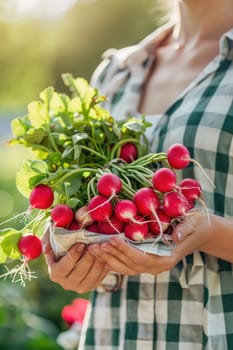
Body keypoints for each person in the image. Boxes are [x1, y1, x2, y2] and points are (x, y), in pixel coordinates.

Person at [43, 0, 233, 349]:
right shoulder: (120, 71)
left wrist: (208, 233)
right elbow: (94, 213)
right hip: (114, 337)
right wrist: (72, 256)